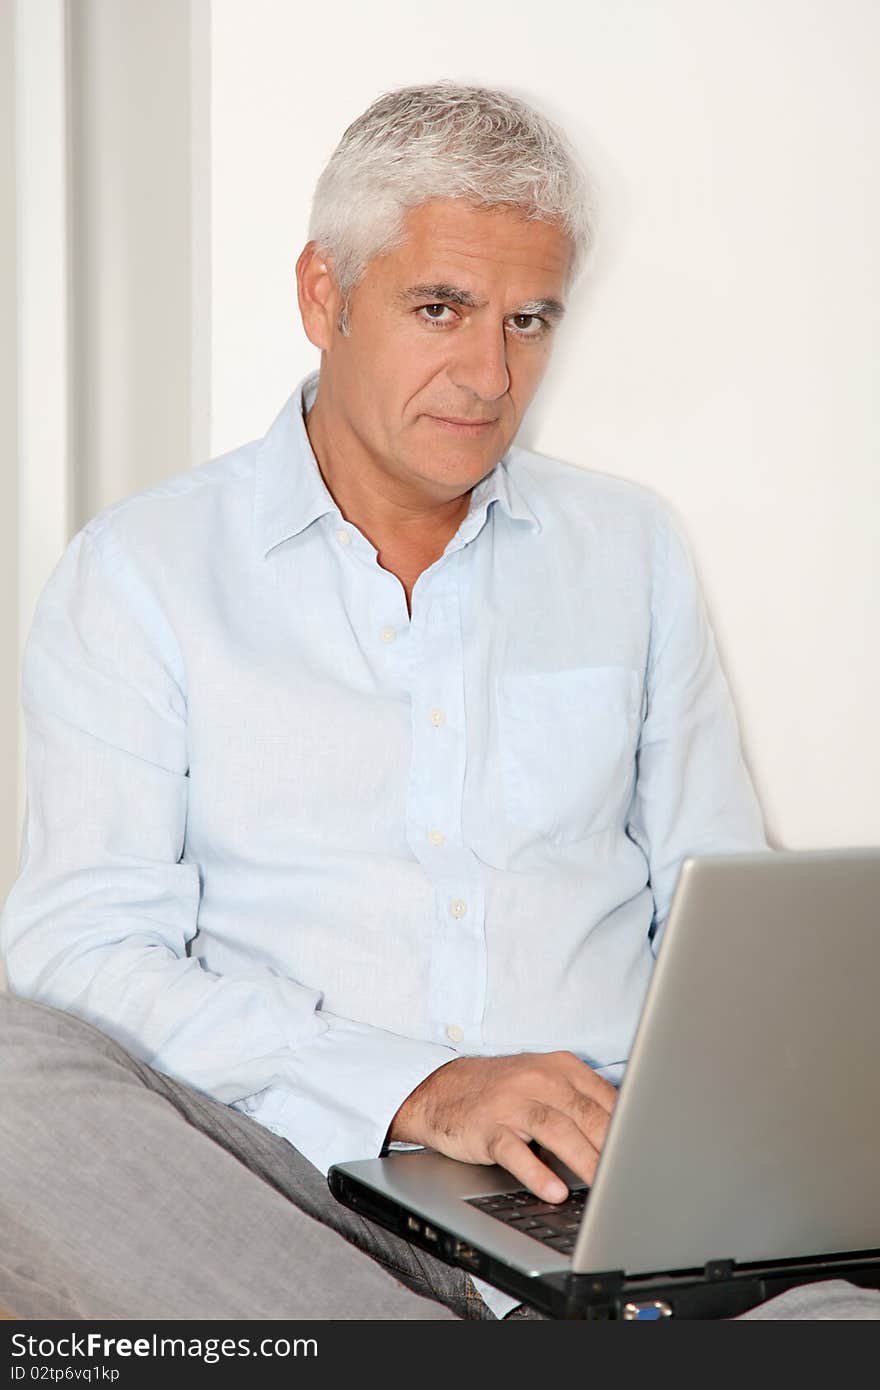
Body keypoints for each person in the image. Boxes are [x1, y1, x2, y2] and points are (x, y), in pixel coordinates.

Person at [0, 81, 876, 1323]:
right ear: (324, 295)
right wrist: (418, 1084)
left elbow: (717, 901)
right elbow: (78, 953)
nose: (488, 372)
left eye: (528, 319)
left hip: (606, 1195)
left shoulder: (628, 550)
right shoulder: (140, 573)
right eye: (439, 308)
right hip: (297, 1192)